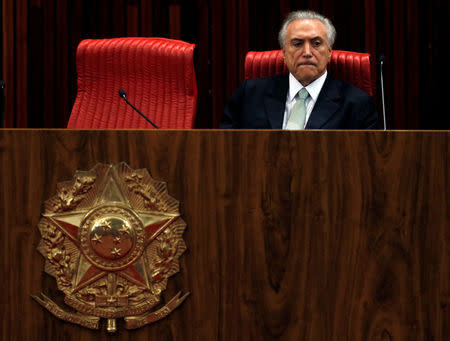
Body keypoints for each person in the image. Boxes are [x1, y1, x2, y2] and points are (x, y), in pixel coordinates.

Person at [220, 10, 379, 129]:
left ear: (330, 52)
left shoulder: (357, 104)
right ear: (283, 52)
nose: (307, 53)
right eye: (297, 44)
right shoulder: (250, 94)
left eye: (316, 44)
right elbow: (225, 148)